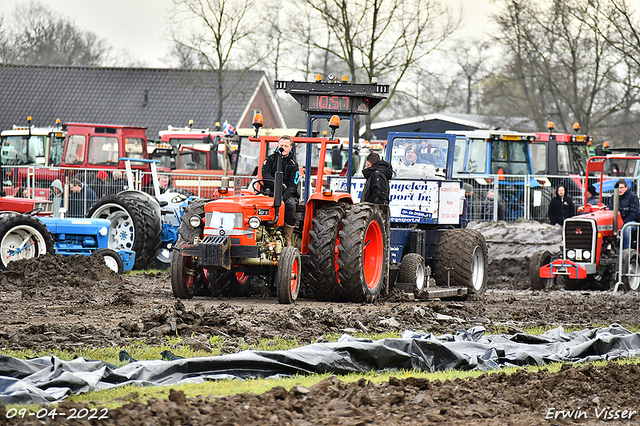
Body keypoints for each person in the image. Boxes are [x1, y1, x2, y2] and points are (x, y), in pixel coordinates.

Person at [261, 135, 299, 246]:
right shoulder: (270, 159)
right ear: (278, 146)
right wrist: (275, 184)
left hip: (286, 193)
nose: (283, 148)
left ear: (290, 148)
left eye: (286, 146)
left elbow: (293, 185)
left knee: (291, 205)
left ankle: (287, 237)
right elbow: (266, 175)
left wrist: (283, 196)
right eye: (281, 145)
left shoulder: (293, 165)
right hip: (270, 190)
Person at [610, 179, 640, 249]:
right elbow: (611, 210)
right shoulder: (613, 197)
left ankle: (626, 251)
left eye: (621, 188)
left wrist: (624, 222)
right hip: (617, 222)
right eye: (618, 188)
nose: (620, 190)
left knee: (626, 228)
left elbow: (634, 213)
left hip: (631, 222)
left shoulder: (633, 197)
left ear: (626, 188)